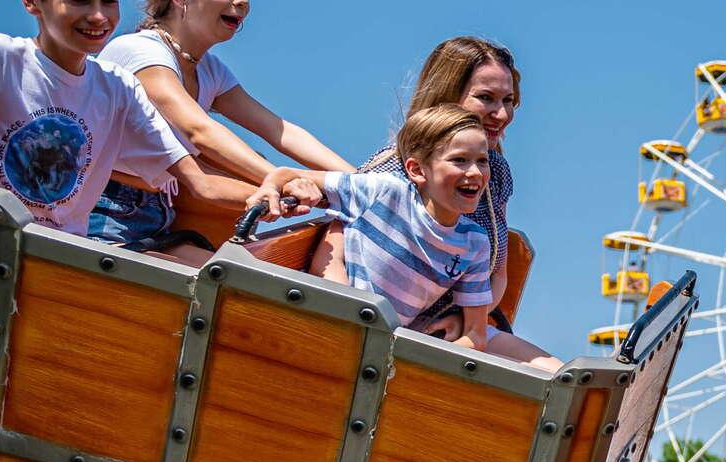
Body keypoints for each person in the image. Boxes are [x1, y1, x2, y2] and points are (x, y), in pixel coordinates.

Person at [245, 105, 560, 372]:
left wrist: (422, 358)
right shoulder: (385, 192)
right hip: (342, 324)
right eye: (460, 160)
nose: (475, 172)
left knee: (548, 370)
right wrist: (272, 185)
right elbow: (288, 174)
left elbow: (475, 335)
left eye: (482, 161)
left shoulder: (474, 244)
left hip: (398, 344)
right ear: (418, 170)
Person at [0, 0, 252, 234]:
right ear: (33, 3)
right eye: (79, 1)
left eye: (108, 2)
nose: (97, 16)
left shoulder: (117, 88)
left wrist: (272, 190)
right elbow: (198, 131)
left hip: (59, 261)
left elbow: (201, 184)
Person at [88, 0, 353, 265]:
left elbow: (278, 129)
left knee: (250, 279)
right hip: (104, 213)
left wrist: (361, 182)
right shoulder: (139, 50)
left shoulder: (209, 70)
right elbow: (199, 130)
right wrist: (280, 182)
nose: (243, 3)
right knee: (238, 285)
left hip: (158, 214)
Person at [311, 36, 519, 340]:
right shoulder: (397, 174)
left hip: (448, 326)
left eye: (508, 101)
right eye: (486, 98)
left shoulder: (493, 172)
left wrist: (464, 320)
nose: (501, 114)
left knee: (556, 372)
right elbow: (334, 256)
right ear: (448, 97)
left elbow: (496, 269)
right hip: (382, 330)